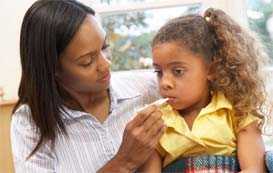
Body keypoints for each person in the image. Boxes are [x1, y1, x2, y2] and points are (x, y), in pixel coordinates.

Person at [10, 0, 166, 172]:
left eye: (104, 47)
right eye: (87, 61)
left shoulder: (147, 88)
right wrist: (124, 162)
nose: (105, 64)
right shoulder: (30, 124)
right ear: (53, 69)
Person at [140, 8, 269, 172]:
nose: (165, 83)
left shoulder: (238, 111)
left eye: (178, 71)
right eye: (159, 72)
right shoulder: (155, 125)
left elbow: (254, 169)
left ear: (211, 70)